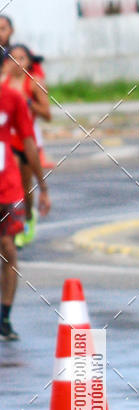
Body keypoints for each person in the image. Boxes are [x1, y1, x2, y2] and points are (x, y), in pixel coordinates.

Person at [0, 80, 50, 339]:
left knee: (8, 249)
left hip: (7, 187)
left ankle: (4, 318)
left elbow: (29, 142)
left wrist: (43, 187)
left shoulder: (13, 98)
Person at [2, 44, 51, 247]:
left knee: (25, 186)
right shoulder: (3, 83)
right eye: (13, 58)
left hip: (27, 139)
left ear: (29, 61)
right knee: (11, 181)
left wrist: (28, 103)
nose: (17, 63)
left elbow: (47, 114)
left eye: (22, 58)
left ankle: (29, 216)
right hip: (8, 142)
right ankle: (12, 224)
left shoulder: (34, 83)